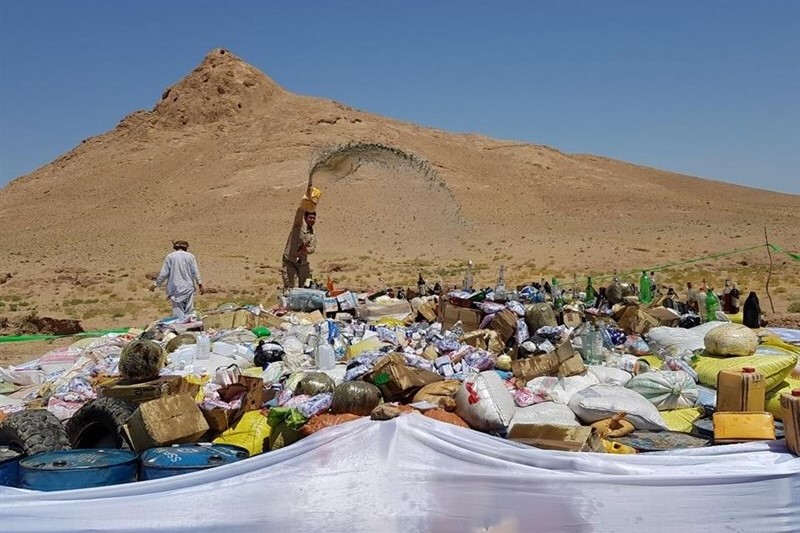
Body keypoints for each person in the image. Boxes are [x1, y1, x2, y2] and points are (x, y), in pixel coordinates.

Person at [151, 240, 204, 319]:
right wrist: (200, 285)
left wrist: (156, 284)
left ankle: (181, 329)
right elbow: (195, 272)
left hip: (176, 288)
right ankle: (189, 328)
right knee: (189, 312)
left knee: (178, 314)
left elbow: (164, 273)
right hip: (188, 288)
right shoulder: (191, 256)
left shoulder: (170, 256)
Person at [282, 186, 320, 291]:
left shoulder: (312, 234)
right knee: (290, 288)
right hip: (290, 260)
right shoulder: (298, 226)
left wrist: (306, 250)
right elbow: (299, 213)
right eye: (310, 218)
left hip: (302, 262)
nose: (312, 220)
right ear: (305, 218)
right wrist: (306, 202)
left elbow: (312, 248)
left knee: (306, 287)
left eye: (314, 218)